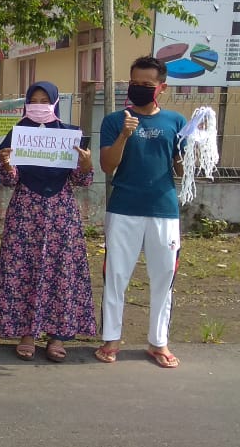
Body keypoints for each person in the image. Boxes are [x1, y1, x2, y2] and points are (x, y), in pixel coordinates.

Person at [0, 81, 96, 362]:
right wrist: (6, 164)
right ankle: (27, 333)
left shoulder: (70, 135)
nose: (38, 105)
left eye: (44, 99)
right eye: (33, 99)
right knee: (25, 269)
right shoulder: (17, 134)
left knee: (61, 272)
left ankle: (57, 335)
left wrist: (85, 166)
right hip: (26, 212)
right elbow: (8, 181)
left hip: (61, 213)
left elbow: (81, 181)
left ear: (56, 102)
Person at [95, 56, 186, 368]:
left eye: (147, 85)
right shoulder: (114, 120)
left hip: (164, 210)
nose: (139, 89)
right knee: (116, 276)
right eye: (134, 83)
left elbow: (182, 168)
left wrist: (193, 149)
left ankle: (158, 343)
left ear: (161, 87)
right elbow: (107, 165)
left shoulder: (175, 122)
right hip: (123, 209)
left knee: (163, 277)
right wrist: (124, 134)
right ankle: (111, 339)